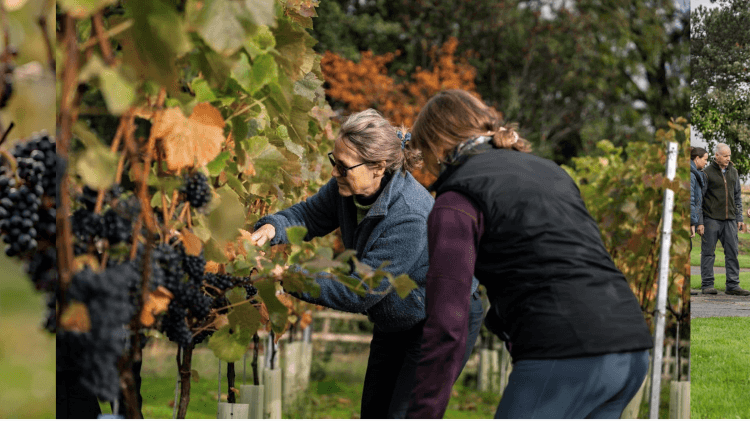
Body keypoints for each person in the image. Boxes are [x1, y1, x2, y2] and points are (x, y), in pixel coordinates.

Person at [404, 90, 654, 419]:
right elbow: (551, 259)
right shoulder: (549, 171)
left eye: (426, 155)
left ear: (436, 144)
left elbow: (448, 324)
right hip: (630, 350)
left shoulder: (456, 200)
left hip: (566, 355)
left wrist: (423, 413)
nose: (429, 168)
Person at [248, 109, 484, 418]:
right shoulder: (346, 188)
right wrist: (273, 227)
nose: (335, 173)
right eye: (335, 161)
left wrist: (287, 276)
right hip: (397, 315)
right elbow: (309, 216)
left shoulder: (410, 215)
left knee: (406, 414)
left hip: (442, 318)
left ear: (378, 167)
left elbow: (360, 290)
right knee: (374, 411)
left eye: (344, 167)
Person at [700, 143, 748, 295]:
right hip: (711, 219)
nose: (728, 159)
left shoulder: (734, 172)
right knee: (708, 253)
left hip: (730, 220)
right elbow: (699, 199)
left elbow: (737, 197)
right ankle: (707, 285)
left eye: (729, 156)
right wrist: (700, 222)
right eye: (725, 156)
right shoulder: (706, 173)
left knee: (732, 252)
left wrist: (739, 218)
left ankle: (733, 285)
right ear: (717, 156)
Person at [691, 147, 708, 238]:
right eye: (705, 159)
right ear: (697, 158)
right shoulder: (691, 175)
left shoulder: (697, 174)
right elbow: (691, 200)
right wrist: (692, 223)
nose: (706, 162)